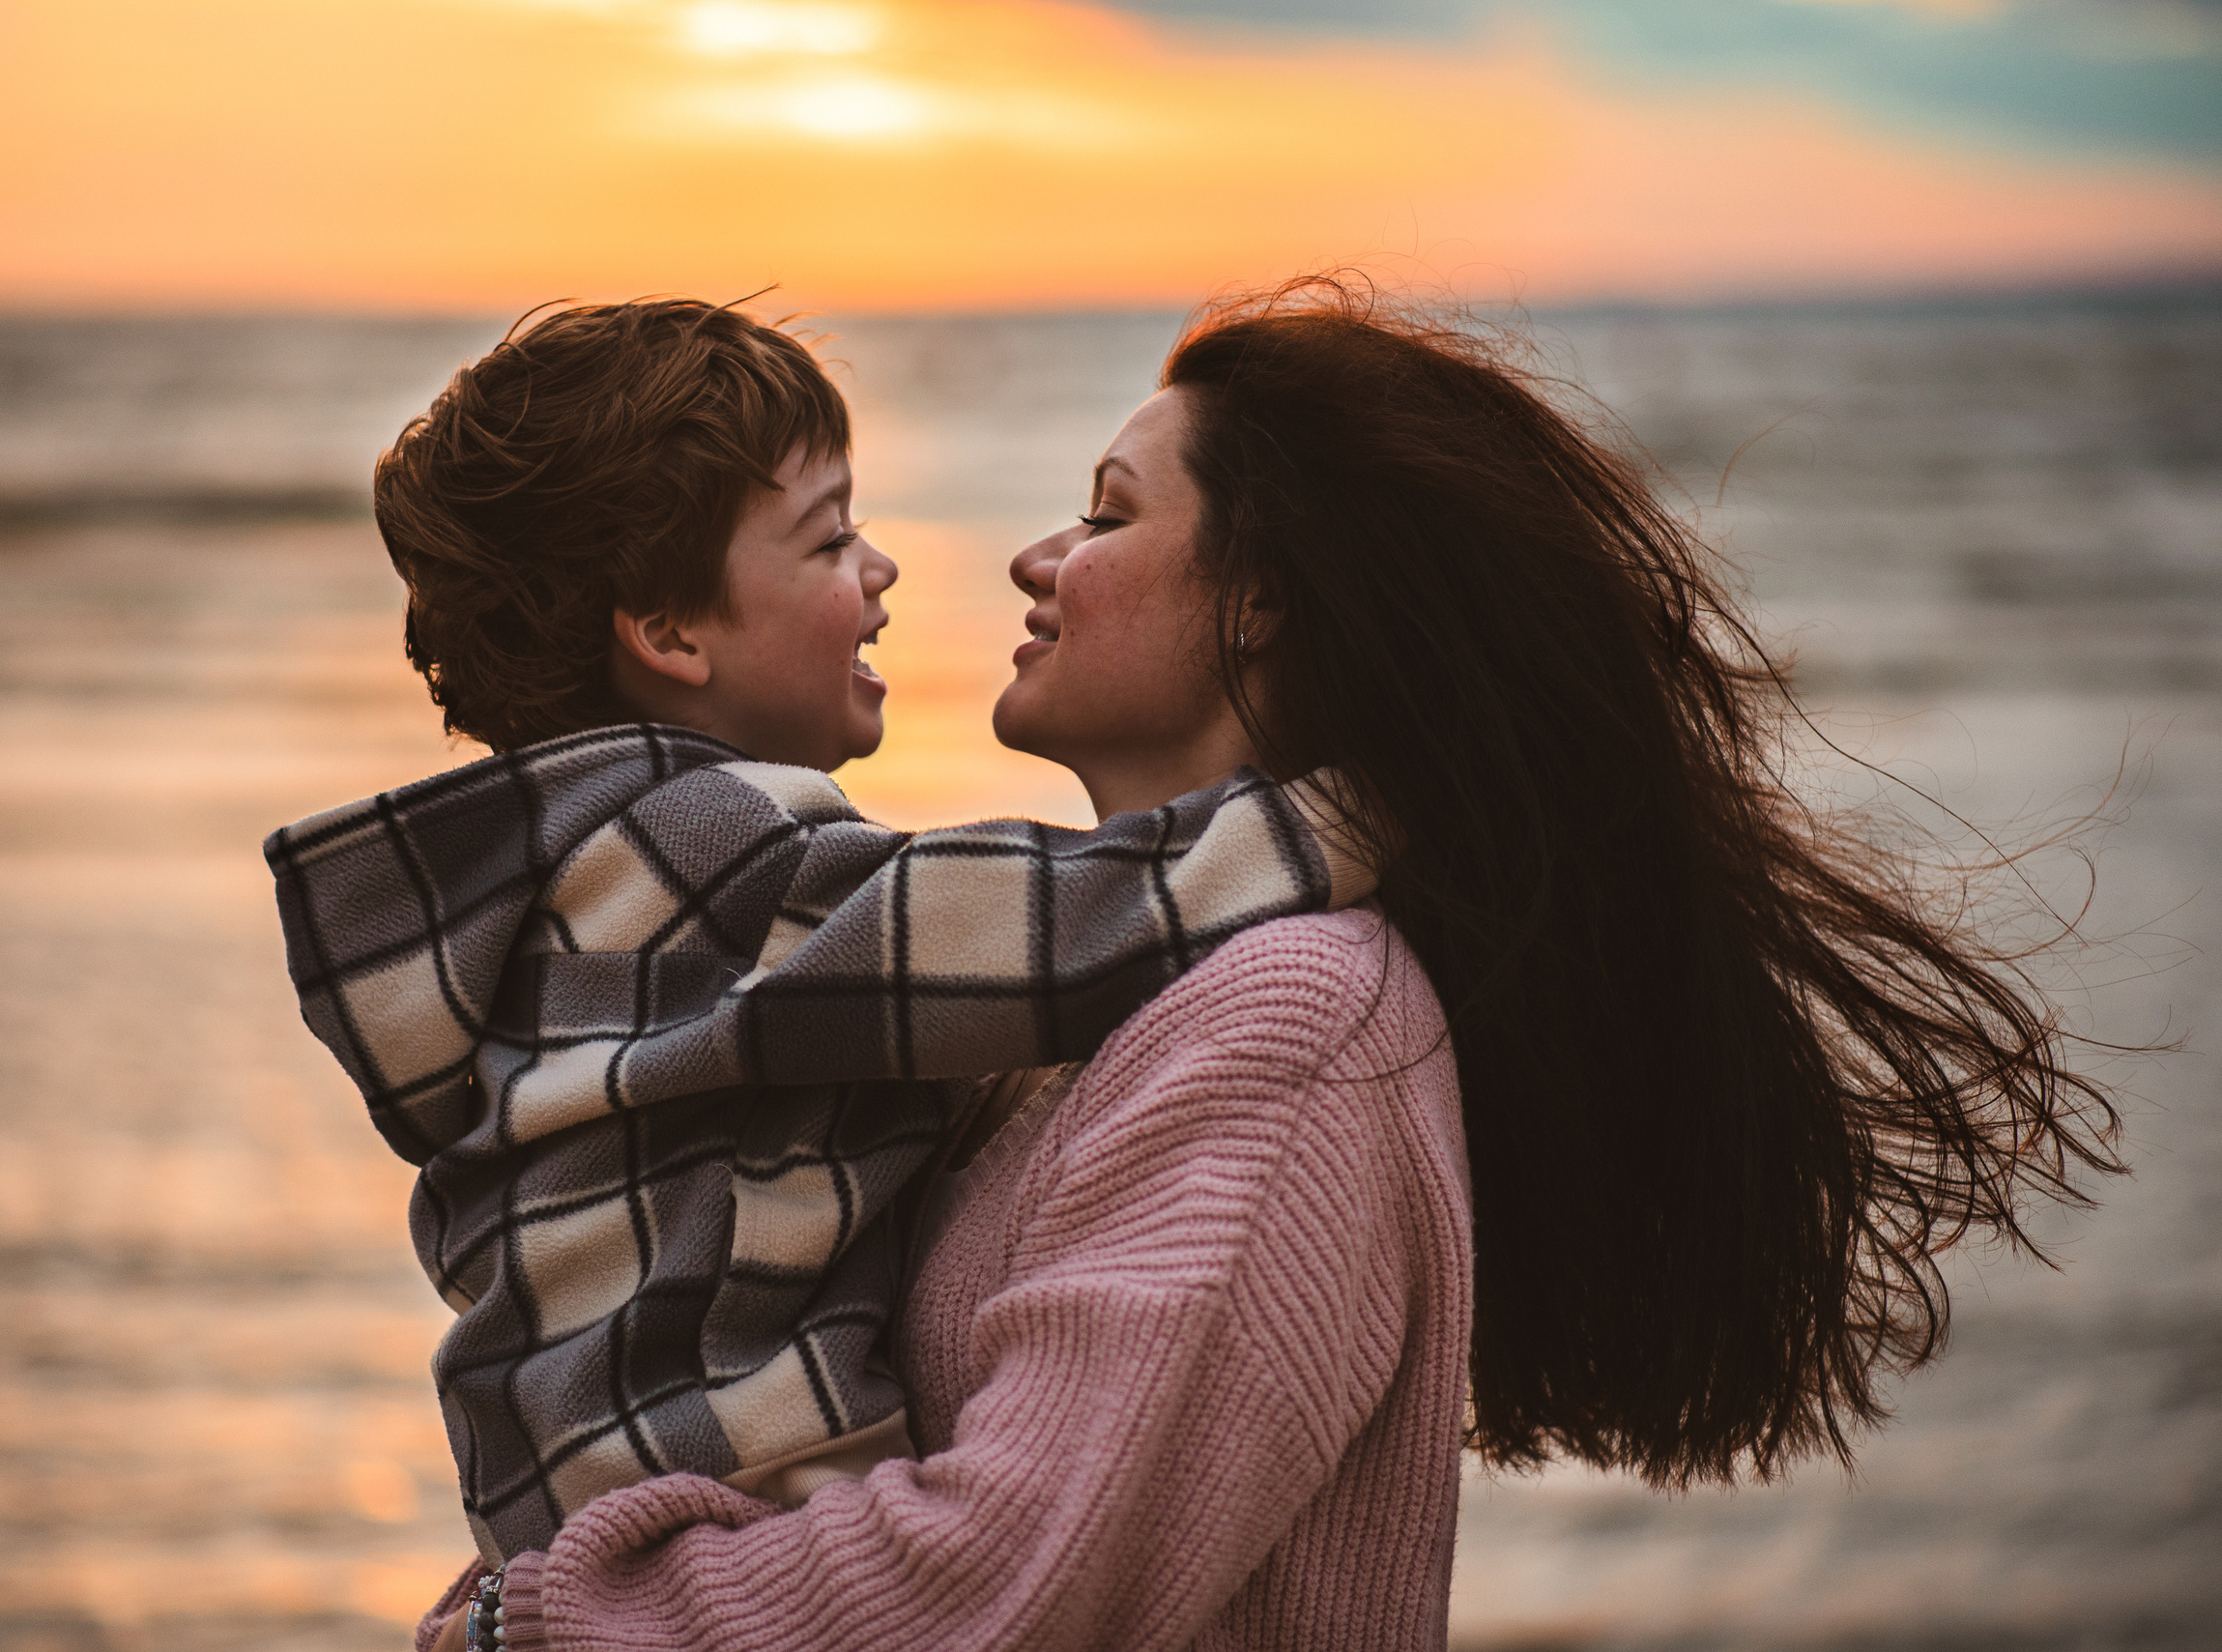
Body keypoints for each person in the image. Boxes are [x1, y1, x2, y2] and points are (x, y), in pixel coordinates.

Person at [424, 278, 2121, 1652]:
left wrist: (529, 1628)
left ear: (1259, 604)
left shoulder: (1296, 1020)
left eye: (1101, 517)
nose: (1031, 559)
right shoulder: (1100, 1007)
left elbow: (1008, 1588)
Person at [265, 299, 1371, 1574]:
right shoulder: (688, 846)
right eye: (832, 538)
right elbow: (1017, 931)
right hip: (718, 1501)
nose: (881, 569)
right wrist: (1349, 819)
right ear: (672, 631)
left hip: (590, 1505)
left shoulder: (561, 873)